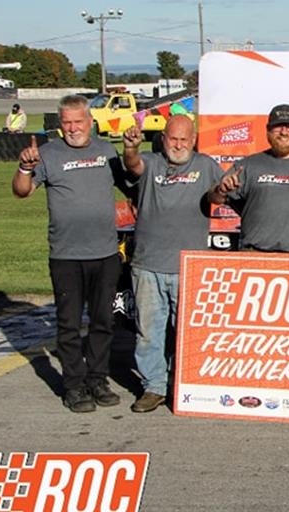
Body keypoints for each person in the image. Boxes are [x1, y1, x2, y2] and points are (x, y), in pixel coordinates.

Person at [11, 94, 126, 413]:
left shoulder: (106, 150)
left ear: (90, 121)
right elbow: (22, 191)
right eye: (67, 122)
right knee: (69, 324)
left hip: (104, 253)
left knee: (104, 321)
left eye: (78, 121)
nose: (73, 128)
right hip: (66, 255)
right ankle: (74, 385)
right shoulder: (47, 154)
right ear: (60, 124)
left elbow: (130, 183)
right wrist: (24, 167)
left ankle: (98, 378)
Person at [121, 115, 223, 413]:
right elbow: (132, 165)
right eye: (173, 139)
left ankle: (186, 386)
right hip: (147, 263)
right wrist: (130, 148)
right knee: (149, 331)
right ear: (163, 138)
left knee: (188, 332)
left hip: (190, 266)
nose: (178, 145)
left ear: (193, 140)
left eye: (184, 139)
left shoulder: (206, 165)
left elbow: (220, 193)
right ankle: (153, 387)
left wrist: (223, 190)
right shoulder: (150, 162)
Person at [207, 104, 289, 253]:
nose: (283, 132)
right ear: (268, 130)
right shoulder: (248, 165)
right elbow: (213, 198)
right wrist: (221, 190)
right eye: (278, 126)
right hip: (254, 254)